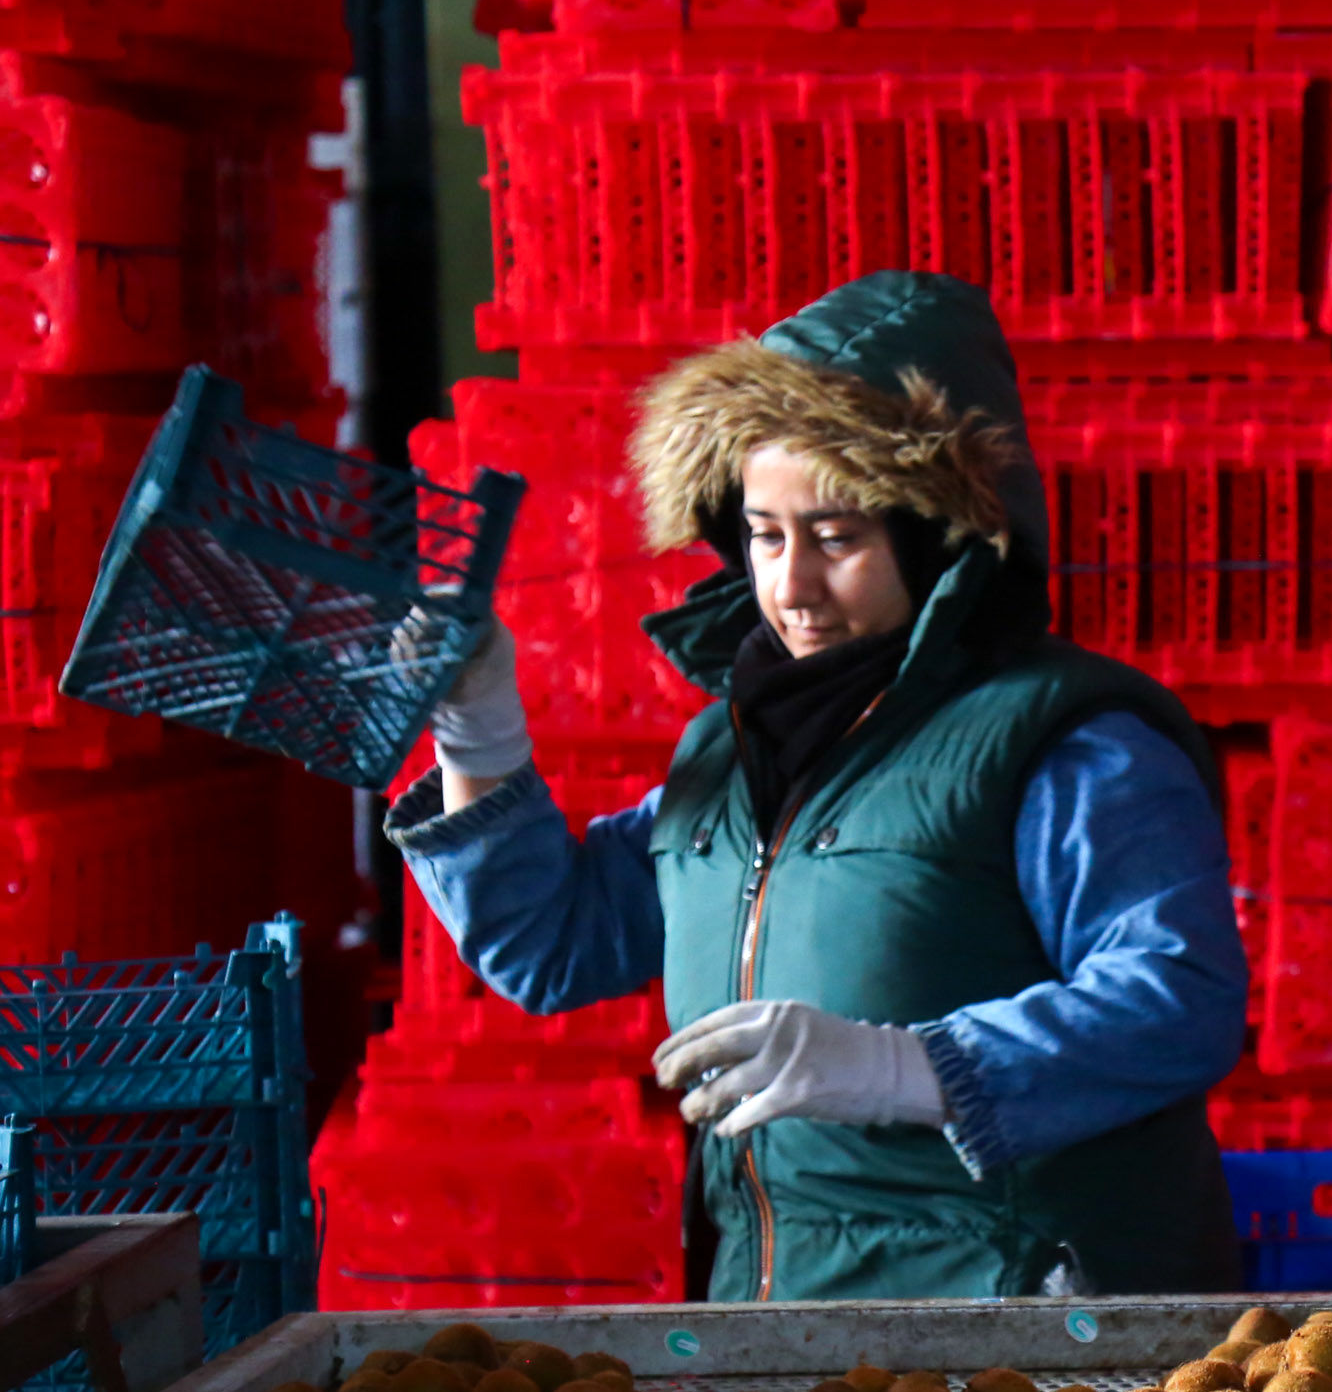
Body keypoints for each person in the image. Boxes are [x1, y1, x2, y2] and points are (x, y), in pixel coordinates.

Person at [388, 271, 1246, 1301]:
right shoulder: (738, 753)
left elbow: (1180, 997)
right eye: (764, 534)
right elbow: (552, 946)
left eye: (837, 539)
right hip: (792, 1326)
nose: (790, 586)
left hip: (1023, 1338)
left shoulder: (1065, 743)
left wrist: (908, 1067)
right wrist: (477, 728)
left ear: (936, 532)